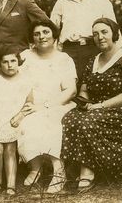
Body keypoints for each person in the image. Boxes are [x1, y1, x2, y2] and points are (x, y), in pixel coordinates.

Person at [61, 18, 122, 192]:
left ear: (114, 34)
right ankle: (73, 169)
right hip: (95, 107)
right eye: (95, 34)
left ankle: (88, 173)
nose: (100, 37)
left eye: (104, 32)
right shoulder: (93, 60)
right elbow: (85, 90)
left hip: (121, 110)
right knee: (70, 119)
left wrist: (101, 105)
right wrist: (82, 102)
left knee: (88, 122)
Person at [17, 20, 77, 193]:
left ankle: (58, 169)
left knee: (49, 120)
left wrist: (45, 106)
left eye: (45, 32)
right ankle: (35, 167)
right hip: (29, 103)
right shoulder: (25, 56)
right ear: (32, 38)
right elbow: (16, 82)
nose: (41, 36)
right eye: (37, 34)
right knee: (26, 122)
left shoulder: (63, 59)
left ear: (54, 35)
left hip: (58, 103)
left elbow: (71, 90)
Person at [50, 0, 116, 82]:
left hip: (94, 50)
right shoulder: (63, 1)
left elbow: (114, 33)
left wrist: (115, 56)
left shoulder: (102, 1)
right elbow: (52, 31)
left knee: (91, 87)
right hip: (68, 51)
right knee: (69, 86)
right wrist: (53, 55)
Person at [0, 46, 33, 195]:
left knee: (10, 150)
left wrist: (19, 116)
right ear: (0, 64)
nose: (10, 65)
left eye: (13, 61)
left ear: (18, 61)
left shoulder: (25, 80)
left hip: (13, 120)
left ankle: (11, 185)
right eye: (5, 62)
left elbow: (29, 103)